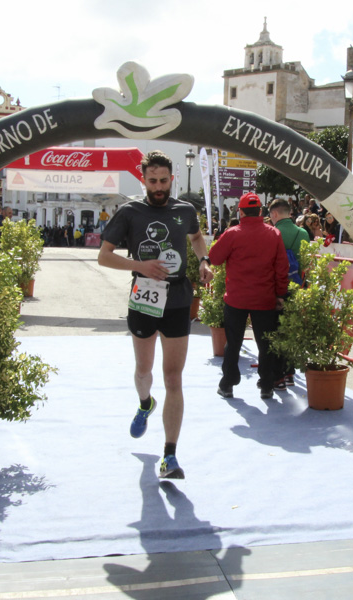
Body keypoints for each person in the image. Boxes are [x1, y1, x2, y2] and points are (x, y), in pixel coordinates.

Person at [97, 150, 213, 480]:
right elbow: (104, 257)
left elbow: (196, 237)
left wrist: (204, 261)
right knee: (143, 370)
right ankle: (145, 402)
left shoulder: (185, 209)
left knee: (173, 377)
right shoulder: (130, 212)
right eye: (152, 181)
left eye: (164, 180)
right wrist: (139, 265)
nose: (159, 187)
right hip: (144, 296)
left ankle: (170, 456)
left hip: (177, 297)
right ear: (142, 179)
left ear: (171, 178)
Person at [210, 193, 288, 401]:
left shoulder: (232, 233)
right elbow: (282, 268)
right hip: (264, 298)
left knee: (233, 342)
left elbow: (215, 258)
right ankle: (266, 385)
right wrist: (280, 294)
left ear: (241, 211)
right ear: (261, 211)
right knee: (265, 343)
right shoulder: (274, 234)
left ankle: (228, 384)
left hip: (236, 298)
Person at [268, 197, 309, 387]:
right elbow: (306, 263)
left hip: (277, 289)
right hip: (298, 286)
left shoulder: (272, 232)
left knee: (276, 330)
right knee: (293, 330)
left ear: (275, 214)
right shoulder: (302, 233)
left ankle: (279, 375)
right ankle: (291, 372)